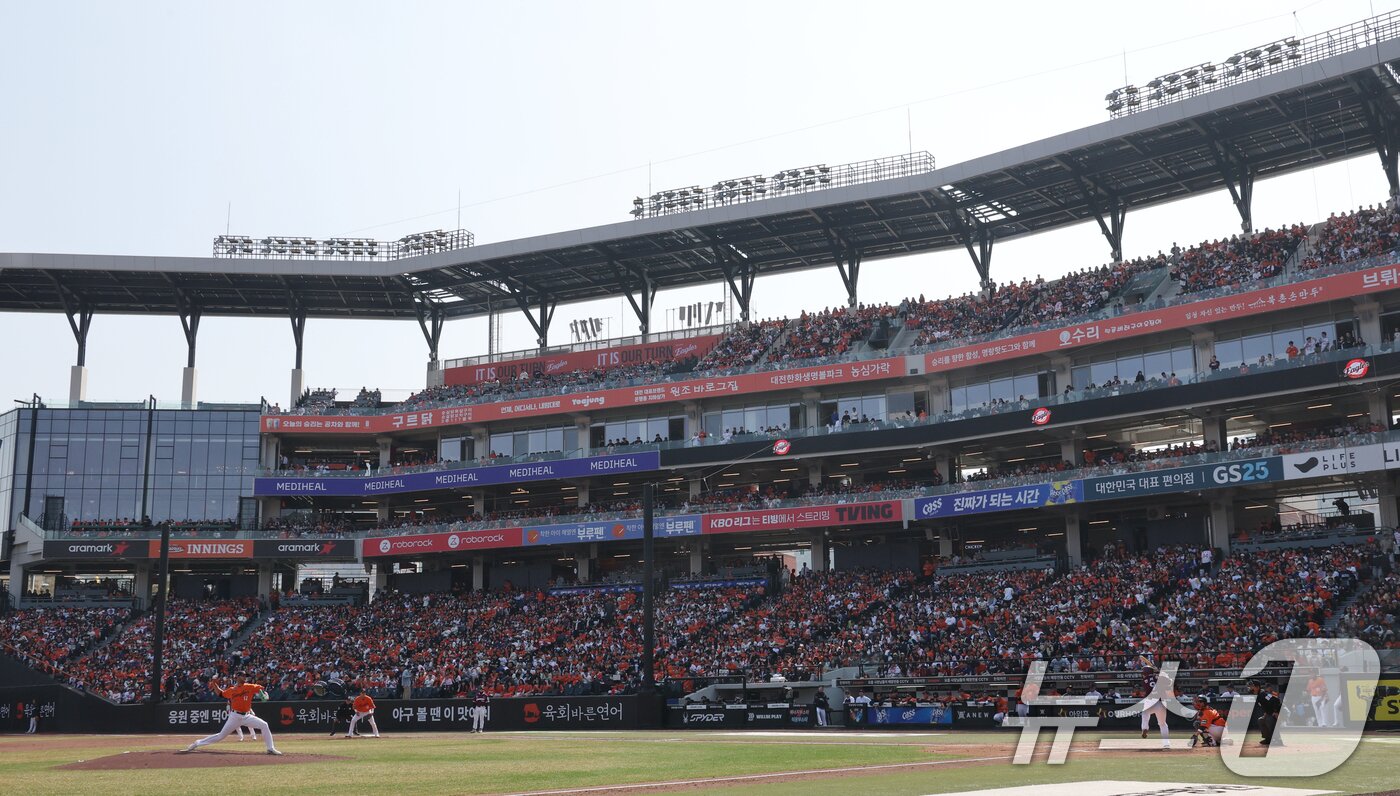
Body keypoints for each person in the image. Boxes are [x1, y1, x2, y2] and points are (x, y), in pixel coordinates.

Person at [180, 674, 281, 755]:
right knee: (221, 736)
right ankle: (197, 743)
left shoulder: (250, 687)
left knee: (264, 725)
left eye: (245, 676)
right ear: (237, 678)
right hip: (235, 716)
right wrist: (214, 685)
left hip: (246, 716)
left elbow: (262, 690)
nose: (244, 677)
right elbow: (220, 693)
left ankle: (270, 748)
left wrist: (266, 696)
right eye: (242, 676)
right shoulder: (232, 690)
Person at [1138, 662, 1171, 749]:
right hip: (1160, 703)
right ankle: (1166, 743)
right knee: (1163, 724)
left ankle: (1144, 728)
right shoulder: (1158, 677)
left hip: (1149, 702)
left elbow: (1150, 679)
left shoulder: (1144, 681)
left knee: (1145, 714)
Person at [1250, 680, 1283, 746]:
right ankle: (1268, 739)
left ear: (1257, 687)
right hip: (1271, 712)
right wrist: (1266, 713)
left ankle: (1278, 740)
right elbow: (1266, 705)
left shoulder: (1264, 694)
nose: (1251, 688)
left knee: (1269, 719)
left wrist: (1276, 712)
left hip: (1280, 711)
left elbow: (1276, 700)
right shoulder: (1258, 695)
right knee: (1261, 720)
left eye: (1252, 686)